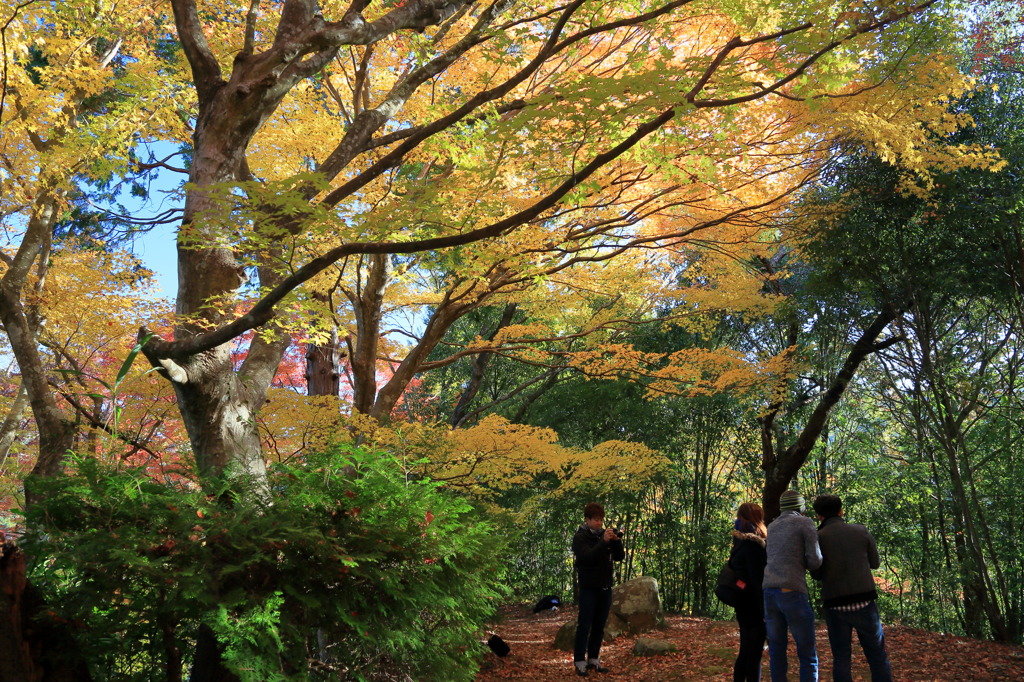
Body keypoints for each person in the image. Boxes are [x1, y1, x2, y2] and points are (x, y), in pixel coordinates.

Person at [811, 494, 893, 682]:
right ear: (841, 511)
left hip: (835, 603)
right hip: (865, 600)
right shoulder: (860, 531)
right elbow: (875, 563)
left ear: (819, 516)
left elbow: (816, 574)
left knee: (841, 657)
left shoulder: (818, 538)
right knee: (877, 656)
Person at [763, 490, 823, 682]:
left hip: (769, 592)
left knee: (777, 650)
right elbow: (815, 560)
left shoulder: (771, 526)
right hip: (792, 589)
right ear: (800, 507)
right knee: (807, 653)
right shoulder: (805, 523)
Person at [571, 502, 625, 677]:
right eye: (595, 520)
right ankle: (580, 661)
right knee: (584, 625)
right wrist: (603, 542)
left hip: (605, 587)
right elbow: (588, 557)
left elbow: (619, 558)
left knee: (599, 626)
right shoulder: (580, 537)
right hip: (588, 588)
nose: (599, 523)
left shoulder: (603, 536)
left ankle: (593, 658)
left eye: (601, 520)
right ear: (587, 520)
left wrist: (616, 542)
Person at [729, 502, 768, 682]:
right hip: (752, 603)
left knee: (746, 649)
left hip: (741, 600)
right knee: (754, 653)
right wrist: (764, 609)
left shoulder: (738, 541)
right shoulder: (754, 545)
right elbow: (757, 579)